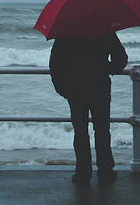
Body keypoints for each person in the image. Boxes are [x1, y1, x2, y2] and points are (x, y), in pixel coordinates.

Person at [49, 32, 128, 184]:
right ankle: (105, 171)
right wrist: (106, 68)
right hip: (100, 88)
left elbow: (55, 64)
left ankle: (82, 173)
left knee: (80, 132)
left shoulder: (66, 33)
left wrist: (62, 89)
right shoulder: (105, 31)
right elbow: (121, 59)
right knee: (102, 131)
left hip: (75, 89)